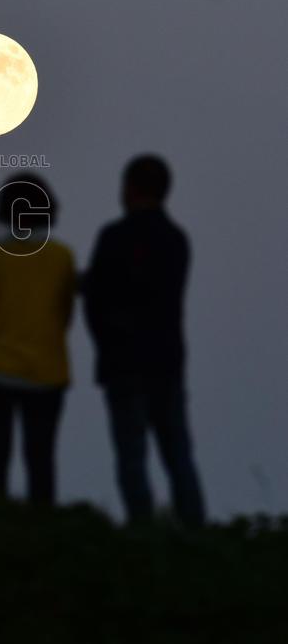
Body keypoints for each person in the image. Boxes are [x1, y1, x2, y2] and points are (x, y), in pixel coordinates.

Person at [84, 155, 206, 526]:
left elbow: (96, 299)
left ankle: (142, 533)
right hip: (166, 363)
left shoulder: (113, 238)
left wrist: (106, 342)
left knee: (131, 457)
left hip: (124, 364)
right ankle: (195, 532)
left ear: (131, 188)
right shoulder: (176, 240)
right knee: (178, 456)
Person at [0, 172, 76, 505]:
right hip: (47, 372)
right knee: (41, 461)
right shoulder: (63, 258)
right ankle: (42, 534)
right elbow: (65, 315)